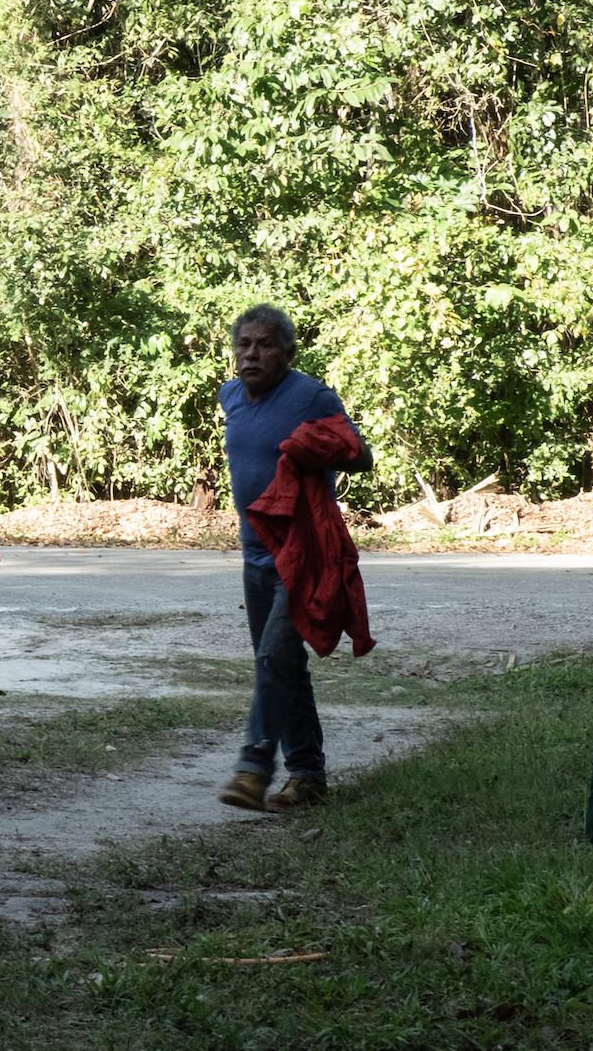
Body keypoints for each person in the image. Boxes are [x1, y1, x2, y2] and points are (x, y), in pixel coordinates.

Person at [216, 304, 373, 814]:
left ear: (287, 352)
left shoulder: (311, 397)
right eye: (244, 345)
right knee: (284, 664)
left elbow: (361, 456)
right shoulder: (230, 397)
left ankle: (252, 769)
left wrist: (319, 448)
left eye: (264, 345)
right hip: (255, 555)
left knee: (274, 658)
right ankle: (307, 776)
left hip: (302, 554)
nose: (252, 354)